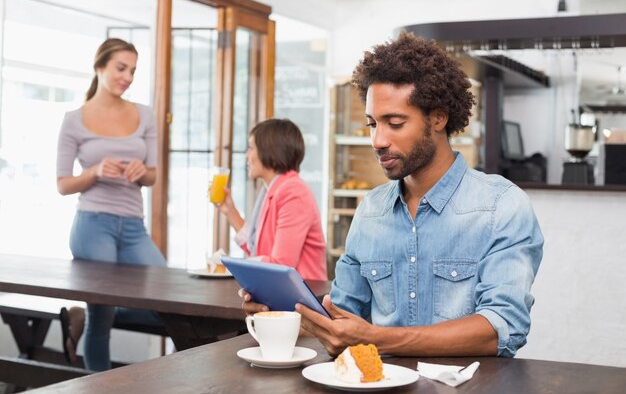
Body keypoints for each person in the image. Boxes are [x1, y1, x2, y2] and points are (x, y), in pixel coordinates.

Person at [242, 32, 544, 358]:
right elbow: (343, 316)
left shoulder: (500, 206)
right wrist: (285, 312)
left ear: (438, 118)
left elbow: (502, 327)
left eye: (395, 123)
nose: (377, 140)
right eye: (372, 124)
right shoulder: (371, 210)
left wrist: (378, 339)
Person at [56, 38, 166, 371]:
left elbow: (153, 175)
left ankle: (81, 315)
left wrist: (141, 171)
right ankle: (97, 389)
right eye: (121, 68)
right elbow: (62, 184)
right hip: (92, 224)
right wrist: (93, 172)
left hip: (133, 226)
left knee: (170, 300)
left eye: (133, 70)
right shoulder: (74, 119)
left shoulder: (144, 114)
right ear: (100, 66)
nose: (128, 77)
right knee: (101, 317)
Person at [213, 118, 327, 281]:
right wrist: (230, 211)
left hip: (302, 301)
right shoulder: (272, 190)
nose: (247, 155)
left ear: (270, 150)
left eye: (251, 147)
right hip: (282, 294)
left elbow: (280, 265)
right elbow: (257, 248)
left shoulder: (294, 193)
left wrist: (231, 265)